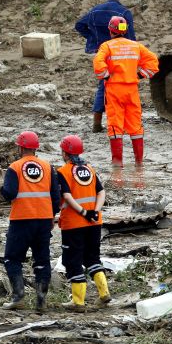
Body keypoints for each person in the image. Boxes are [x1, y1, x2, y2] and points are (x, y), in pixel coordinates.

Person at [0, 131, 63, 312]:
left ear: (20, 148)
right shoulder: (47, 167)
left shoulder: (15, 167)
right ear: (36, 149)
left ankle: (18, 297)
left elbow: (10, 193)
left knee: (12, 258)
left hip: (21, 219)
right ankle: (41, 300)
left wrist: (1, 191)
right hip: (43, 220)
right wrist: (52, 215)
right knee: (42, 260)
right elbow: (55, 196)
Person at [93, 16, 159, 166]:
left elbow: (98, 63)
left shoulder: (107, 46)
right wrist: (140, 75)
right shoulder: (136, 46)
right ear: (125, 30)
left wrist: (106, 75)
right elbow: (153, 62)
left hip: (114, 90)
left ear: (110, 30)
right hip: (132, 90)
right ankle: (139, 163)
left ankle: (117, 164)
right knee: (135, 125)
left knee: (115, 125)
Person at [56, 134, 110, 312]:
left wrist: (83, 212)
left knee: (73, 261)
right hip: (95, 222)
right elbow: (101, 193)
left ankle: (78, 302)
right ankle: (104, 293)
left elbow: (66, 196)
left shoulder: (62, 172)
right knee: (92, 258)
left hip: (74, 223)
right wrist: (95, 211)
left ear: (65, 153)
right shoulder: (90, 168)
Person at [75, 0, 136, 133]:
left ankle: (98, 121)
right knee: (122, 86)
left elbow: (79, 25)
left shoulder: (95, 11)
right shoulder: (123, 13)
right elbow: (130, 37)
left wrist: (93, 38)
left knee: (104, 84)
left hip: (102, 53)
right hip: (119, 55)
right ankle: (122, 122)